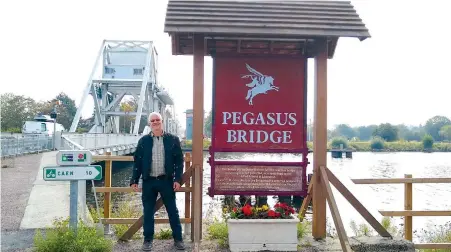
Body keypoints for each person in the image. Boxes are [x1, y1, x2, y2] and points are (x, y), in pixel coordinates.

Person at [130, 112, 185, 251]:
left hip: (166, 180)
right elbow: (137, 162)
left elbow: (179, 161)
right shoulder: (143, 141)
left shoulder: (173, 139)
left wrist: (177, 179)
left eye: (157, 120)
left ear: (162, 121)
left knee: (172, 210)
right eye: (152, 121)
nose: (155, 122)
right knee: (148, 212)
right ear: (149, 124)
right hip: (148, 181)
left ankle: (178, 239)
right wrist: (134, 180)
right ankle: (147, 240)